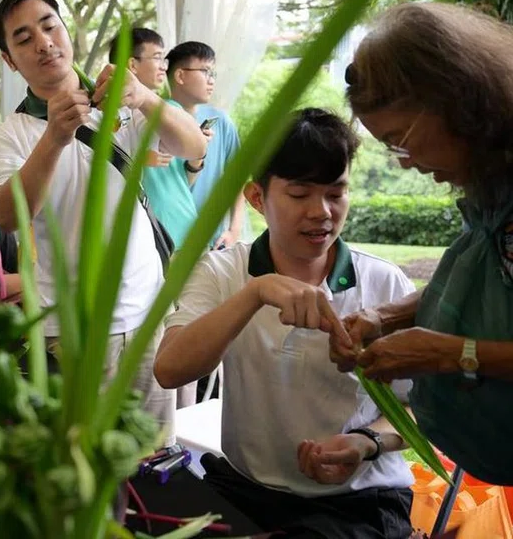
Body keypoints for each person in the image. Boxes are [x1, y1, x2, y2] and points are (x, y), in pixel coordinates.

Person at [329, 1, 513, 534]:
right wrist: (389, 318)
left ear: (458, 100)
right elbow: (486, 291)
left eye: (401, 139)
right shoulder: (500, 189)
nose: (406, 163)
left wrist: (454, 354)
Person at [155, 109, 416, 539]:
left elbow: (421, 407)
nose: (322, 212)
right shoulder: (224, 272)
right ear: (257, 198)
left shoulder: (384, 284)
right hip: (247, 489)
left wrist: (366, 442)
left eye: (336, 193)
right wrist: (255, 294)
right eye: (299, 194)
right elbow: (170, 370)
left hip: (359, 501)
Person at [0, 0, 206, 435]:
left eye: (49, 26)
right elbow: (9, 217)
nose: (43, 43)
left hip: (148, 314)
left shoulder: (123, 101)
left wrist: (142, 95)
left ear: (66, 31)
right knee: (84, 461)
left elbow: (193, 146)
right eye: (24, 39)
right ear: (10, 61)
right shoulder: (11, 133)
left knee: (154, 455)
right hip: (72, 331)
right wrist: (54, 137)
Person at [109, 30, 206, 250]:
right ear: (132, 64)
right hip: (154, 233)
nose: (164, 65)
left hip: (183, 225)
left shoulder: (169, 111)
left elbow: (183, 179)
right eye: (157, 57)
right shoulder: (107, 116)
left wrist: (197, 157)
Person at [165, 42, 245, 250]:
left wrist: (234, 230)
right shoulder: (156, 121)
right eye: (205, 72)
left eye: (213, 74)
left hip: (215, 242)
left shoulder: (221, 121)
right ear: (180, 76)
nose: (211, 81)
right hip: (169, 241)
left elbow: (236, 179)